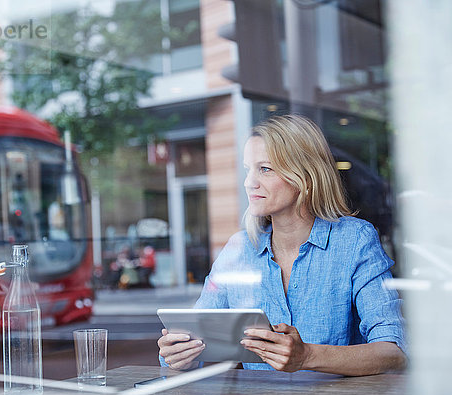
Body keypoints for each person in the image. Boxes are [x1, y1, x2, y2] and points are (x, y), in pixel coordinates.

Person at [158, 114, 407, 375]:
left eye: (264, 169)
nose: (249, 182)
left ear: (305, 177)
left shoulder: (354, 240)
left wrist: (307, 356)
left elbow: (393, 352)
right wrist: (178, 354)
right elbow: (194, 338)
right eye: (248, 169)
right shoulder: (238, 249)